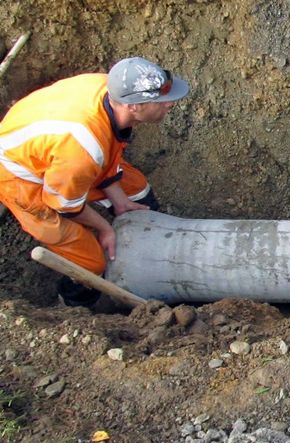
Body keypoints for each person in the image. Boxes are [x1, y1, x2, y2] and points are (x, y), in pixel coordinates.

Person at [0, 57, 189, 306]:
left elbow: (106, 149)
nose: (170, 103)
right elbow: (64, 205)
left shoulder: (109, 89)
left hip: (61, 154)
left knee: (137, 192)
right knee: (90, 264)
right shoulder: (82, 149)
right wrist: (104, 228)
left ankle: (147, 253)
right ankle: (73, 306)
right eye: (161, 100)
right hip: (22, 178)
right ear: (134, 106)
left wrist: (119, 199)